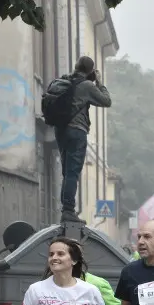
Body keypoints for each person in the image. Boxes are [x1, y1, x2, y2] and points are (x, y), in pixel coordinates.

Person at [48, 56, 112, 224]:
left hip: (60, 130)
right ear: (90, 71)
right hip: (77, 131)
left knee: (66, 171)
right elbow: (106, 100)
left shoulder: (62, 82)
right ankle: (68, 210)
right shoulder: (87, 86)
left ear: (76, 67)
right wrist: (99, 82)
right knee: (72, 172)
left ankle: (65, 209)